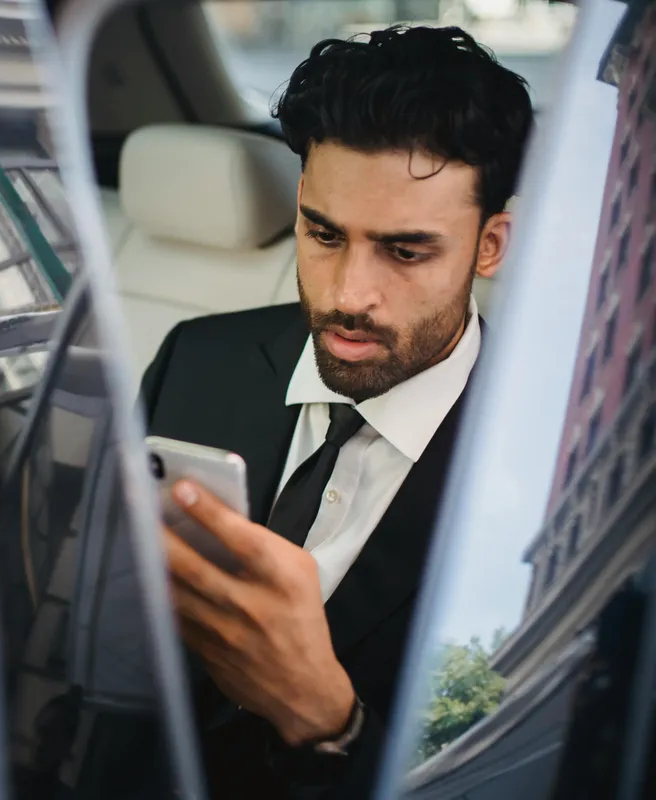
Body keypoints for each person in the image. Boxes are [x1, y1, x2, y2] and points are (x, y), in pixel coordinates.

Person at [142, 25, 533, 800]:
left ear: (490, 246)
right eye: (323, 234)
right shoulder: (196, 360)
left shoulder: (540, 478)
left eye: (405, 251)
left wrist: (332, 725)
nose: (349, 295)